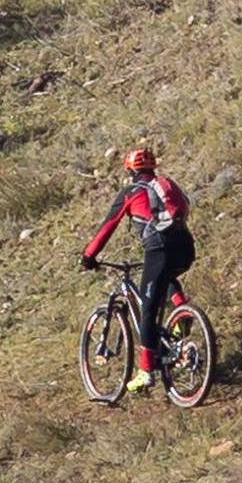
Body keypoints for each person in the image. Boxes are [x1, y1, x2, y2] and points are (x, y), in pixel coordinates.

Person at [81, 147, 195, 393]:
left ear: (131, 170)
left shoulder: (131, 192)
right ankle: (182, 310)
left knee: (148, 307)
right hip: (185, 245)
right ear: (151, 168)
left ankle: (145, 371)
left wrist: (89, 255)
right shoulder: (165, 185)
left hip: (159, 247)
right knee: (166, 277)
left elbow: (108, 226)